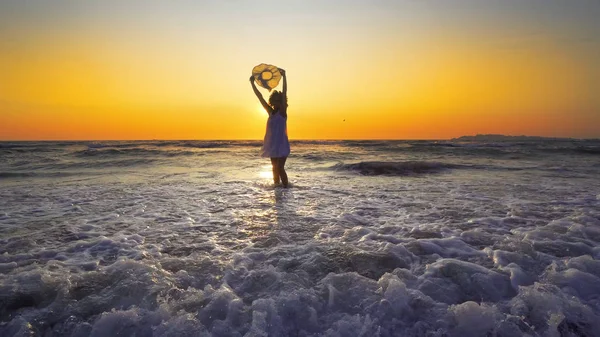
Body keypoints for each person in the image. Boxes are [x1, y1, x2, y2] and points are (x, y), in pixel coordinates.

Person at [250, 68, 290, 187]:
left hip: (282, 144)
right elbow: (260, 97)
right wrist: (252, 83)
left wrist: (284, 77)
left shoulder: (283, 112)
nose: (277, 103)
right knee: (274, 168)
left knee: (280, 167)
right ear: (272, 102)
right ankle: (277, 188)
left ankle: (286, 188)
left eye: (279, 101)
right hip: (272, 144)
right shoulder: (270, 112)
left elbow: (285, 92)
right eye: (276, 101)